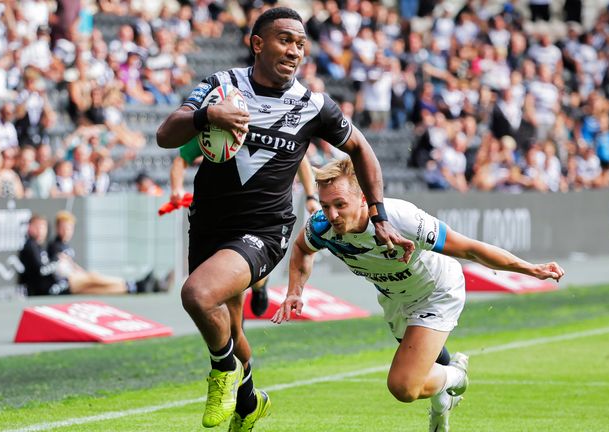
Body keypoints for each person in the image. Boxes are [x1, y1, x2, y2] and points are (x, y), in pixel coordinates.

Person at [156, 7, 414, 431]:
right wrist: (207, 116)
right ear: (257, 44)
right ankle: (249, 400)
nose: (294, 50)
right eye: (284, 40)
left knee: (198, 295)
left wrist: (379, 213)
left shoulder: (313, 105)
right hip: (208, 223)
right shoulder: (221, 86)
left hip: (264, 230)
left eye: (300, 43)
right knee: (231, 328)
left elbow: (362, 149)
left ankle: (222, 372)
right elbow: (167, 135)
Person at [272, 157, 565, 432]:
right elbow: (301, 249)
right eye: (325, 205)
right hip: (394, 298)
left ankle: (457, 376)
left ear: (364, 197)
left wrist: (530, 269)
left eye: (340, 204)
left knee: (404, 386)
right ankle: (442, 402)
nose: (332, 214)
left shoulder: (400, 219)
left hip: (437, 291)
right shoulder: (322, 226)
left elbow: (470, 248)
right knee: (426, 366)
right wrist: (294, 291)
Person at [169, 140, 322, 317]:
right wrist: (176, 188)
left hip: (259, 217)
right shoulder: (219, 130)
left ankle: (259, 286)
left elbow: (300, 158)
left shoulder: (274, 131)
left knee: (237, 273)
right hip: (218, 214)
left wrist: (311, 196)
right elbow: (182, 158)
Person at [18, 214, 159, 296]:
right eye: (38, 227)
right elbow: (41, 271)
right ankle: (132, 284)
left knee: (96, 289)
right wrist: (57, 261)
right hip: (50, 289)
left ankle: (134, 288)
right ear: (30, 228)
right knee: (92, 277)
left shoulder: (39, 246)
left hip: (58, 285)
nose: (41, 230)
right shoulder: (31, 246)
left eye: (43, 227)